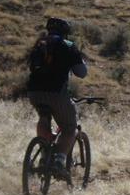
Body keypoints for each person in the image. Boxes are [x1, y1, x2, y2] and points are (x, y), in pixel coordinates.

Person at [27, 18, 87, 180]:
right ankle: (59, 161)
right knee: (69, 127)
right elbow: (81, 73)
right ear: (65, 32)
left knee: (44, 117)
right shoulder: (68, 45)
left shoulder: (39, 44)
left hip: (34, 92)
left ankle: (43, 155)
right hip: (56, 92)